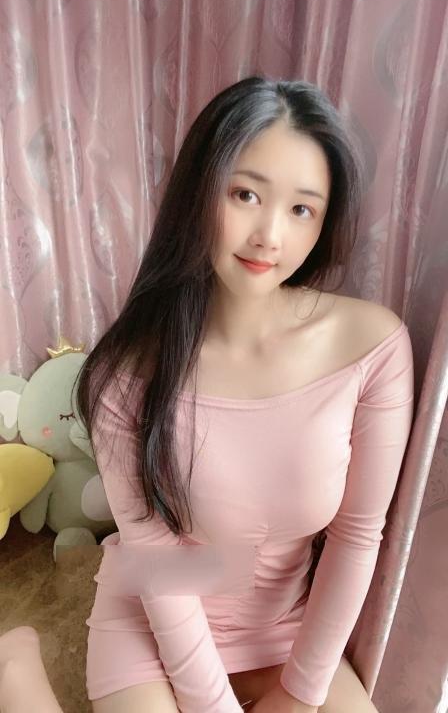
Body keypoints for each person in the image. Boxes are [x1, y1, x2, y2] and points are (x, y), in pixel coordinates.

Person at [1, 77, 413, 713]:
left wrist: (301, 690)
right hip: (154, 608)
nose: (269, 234)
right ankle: (16, 667)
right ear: (200, 191)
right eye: (246, 194)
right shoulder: (127, 373)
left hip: (286, 623)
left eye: (301, 209)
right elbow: (155, 558)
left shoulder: (371, 347)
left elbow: (359, 534)